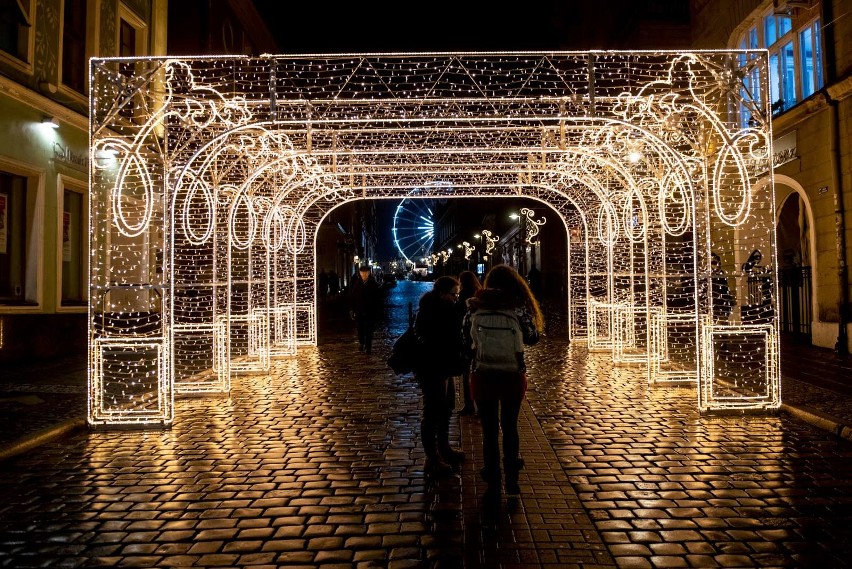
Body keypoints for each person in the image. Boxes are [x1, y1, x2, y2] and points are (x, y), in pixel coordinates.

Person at [463, 264, 543, 503]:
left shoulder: (473, 308)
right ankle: (512, 480)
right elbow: (532, 339)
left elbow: (464, 344)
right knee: (510, 427)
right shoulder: (518, 309)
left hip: (483, 375)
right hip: (512, 375)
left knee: (489, 430)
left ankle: (492, 480)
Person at [414, 276, 466, 478]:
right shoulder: (430, 312)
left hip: (446, 367)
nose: (456, 298)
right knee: (433, 412)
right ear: (443, 294)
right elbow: (432, 340)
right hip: (432, 368)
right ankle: (432, 459)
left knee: (446, 409)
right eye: (454, 294)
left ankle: (444, 448)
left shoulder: (448, 309)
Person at [456, 270, 482, 416]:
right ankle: (481, 404)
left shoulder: (462, 297)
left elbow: (459, 317)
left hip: (467, 339)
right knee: (479, 373)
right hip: (480, 338)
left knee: (466, 375)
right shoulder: (480, 293)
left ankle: (469, 405)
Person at [350, 265, 381, 354]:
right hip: (359, 310)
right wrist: (352, 309)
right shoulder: (357, 283)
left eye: (366, 273)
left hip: (370, 310)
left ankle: (368, 347)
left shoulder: (373, 284)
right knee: (360, 328)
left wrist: (377, 310)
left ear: (369, 273)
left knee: (369, 330)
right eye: (362, 273)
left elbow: (377, 298)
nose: (364, 274)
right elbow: (353, 297)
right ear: (360, 273)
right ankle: (362, 342)